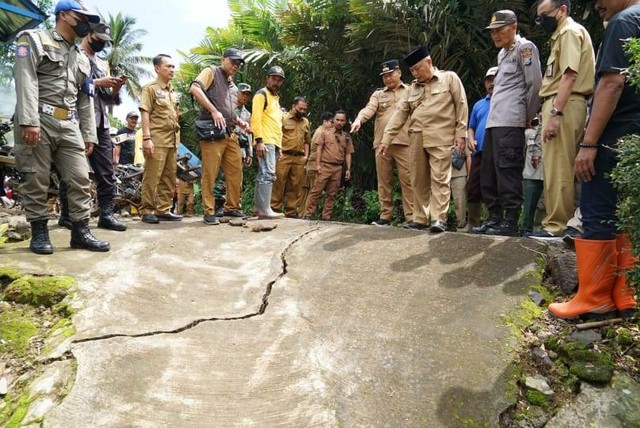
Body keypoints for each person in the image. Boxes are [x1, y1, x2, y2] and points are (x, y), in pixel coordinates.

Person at [548, 0, 640, 320]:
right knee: (628, 216)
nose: (597, 3)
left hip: (616, 135)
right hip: (635, 138)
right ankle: (624, 294)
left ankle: (594, 297)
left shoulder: (623, 22)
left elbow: (612, 83)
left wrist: (588, 143)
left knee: (599, 209)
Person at [13, 0, 110, 254]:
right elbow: (26, 80)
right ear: (64, 15)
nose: (86, 23)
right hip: (38, 119)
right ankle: (40, 232)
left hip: (69, 123)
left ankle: (80, 232)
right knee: (36, 178)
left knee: (80, 177)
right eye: (82, 17)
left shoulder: (82, 58)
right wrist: (29, 120)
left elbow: (84, 98)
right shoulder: (33, 39)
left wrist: (89, 134)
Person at [379, 46, 468, 234]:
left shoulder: (449, 78)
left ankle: (438, 219)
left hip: (441, 136)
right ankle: (420, 218)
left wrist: (461, 134)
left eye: (417, 68)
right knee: (417, 179)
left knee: (440, 178)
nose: (415, 73)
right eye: (411, 70)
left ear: (429, 63)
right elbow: (400, 114)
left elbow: (461, 105)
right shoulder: (413, 88)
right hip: (416, 137)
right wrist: (386, 139)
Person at [473, 10, 542, 236]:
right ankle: (494, 218)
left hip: (511, 121)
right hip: (494, 123)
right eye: (492, 31)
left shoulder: (525, 49)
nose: (495, 35)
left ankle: (510, 221)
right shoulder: (503, 54)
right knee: (489, 172)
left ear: (514, 27)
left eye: (499, 30)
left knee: (507, 170)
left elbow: (535, 86)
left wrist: (527, 118)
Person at [532, 0, 595, 239]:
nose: (541, 21)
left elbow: (569, 75)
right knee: (559, 165)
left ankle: (556, 225)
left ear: (562, 10)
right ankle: (560, 222)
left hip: (565, 105)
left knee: (559, 166)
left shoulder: (569, 32)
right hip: (565, 104)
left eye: (544, 15)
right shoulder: (561, 35)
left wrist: (556, 113)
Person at [58, 21, 127, 232]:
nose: (102, 44)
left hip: (102, 124)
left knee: (107, 172)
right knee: (73, 171)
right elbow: (67, 84)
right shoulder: (74, 55)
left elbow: (107, 99)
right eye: (99, 40)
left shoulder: (103, 63)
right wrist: (98, 83)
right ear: (88, 34)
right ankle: (67, 214)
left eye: (105, 42)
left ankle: (106, 215)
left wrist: (115, 87)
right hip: (77, 122)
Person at [189, 48, 250, 225]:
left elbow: (229, 110)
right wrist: (213, 111)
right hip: (213, 133)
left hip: (230, 134)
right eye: (233, 62)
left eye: (239, 64)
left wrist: (240, 122)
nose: (236, 66)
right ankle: (209, 211)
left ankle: (232, 207)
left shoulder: (233, 85)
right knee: (210, 172)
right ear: (223, 59)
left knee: (235, 171)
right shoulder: (211, 71)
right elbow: (194, 88)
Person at [351, 59, 414, 227]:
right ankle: (385, 217)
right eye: (384, 76)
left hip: (404, 142)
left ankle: (412, 218)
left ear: (399, 72)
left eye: (390, 74)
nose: (387, 79)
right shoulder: (378, 94)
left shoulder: (410, 90)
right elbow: (369, 109)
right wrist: (359, 119)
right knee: (384, 181)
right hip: (381, 145)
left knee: (407, 180)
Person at [138, 54, 182, 224]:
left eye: (173, 66)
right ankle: (148, 210)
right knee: (152, 176)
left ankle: (163, 209)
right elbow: (145, 112)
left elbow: (175, 116)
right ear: (157, 68)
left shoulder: (172, 91)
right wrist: (147, 138)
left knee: (169, 176)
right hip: (156, 139)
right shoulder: (150, 89)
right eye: (168, 66)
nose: (172, 69)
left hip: (172, 140)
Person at [213, 82, 254, 217]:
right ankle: (218, 205)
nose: (245, 96)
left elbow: (249, 134)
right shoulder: (227, 107)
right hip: (225, 143)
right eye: (243, 93)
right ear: (236, 93)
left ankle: (234, 206)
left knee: (237, 178)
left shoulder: (247, 114)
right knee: (221, 177)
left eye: (247, 94)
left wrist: (250, 154)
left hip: (240, 147)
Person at [303, 110, 353, 220]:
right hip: (324, 165)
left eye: (342, 120)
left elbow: (348, 154)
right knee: (316, 191)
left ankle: (326, 216)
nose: (339, 122)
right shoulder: (324, 133)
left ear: (345, 122)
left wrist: (348, 169)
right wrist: (318, 165)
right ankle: (308, 214)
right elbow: (319, 149)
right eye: (337, 120)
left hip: (338, 168)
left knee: (332, 193)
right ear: (333, 120)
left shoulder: (347, 137)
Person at [251, 66, 286, 219]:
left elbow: (276, 123)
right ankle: (265, 210)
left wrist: (280, 147)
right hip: (265, 140)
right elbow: (255, 118)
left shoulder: (275, 99)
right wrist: (259, 141)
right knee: (268, 174)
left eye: (279, 80)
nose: (276, 82)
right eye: (274, 78)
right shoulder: (261, 94)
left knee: (263, 173)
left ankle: (260, 209)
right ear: (268, 78)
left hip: (274, 142)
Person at [466, 67, 497, 229]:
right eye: (488, 80)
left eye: (494, 79)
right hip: (478, 152)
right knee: (473, 187)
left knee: (493, 187)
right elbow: (471, 126)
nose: (491, 83)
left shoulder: (504, 101)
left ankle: (492, 221)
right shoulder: (479, 104)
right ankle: (473, 223)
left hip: (497, 152)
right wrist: (470, 140)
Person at [271, 96, 311, 218]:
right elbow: (276, 136)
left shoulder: (305, 122)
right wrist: (278, 152)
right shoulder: (283, 118)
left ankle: (291, 211)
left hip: (299, 158)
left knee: (296, 185)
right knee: (278, 183)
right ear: (293, 106)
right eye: (300, 108)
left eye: (305, 109)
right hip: (284, 156)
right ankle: (274, 209)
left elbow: (307, 141)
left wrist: (306, 156)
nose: (303, 111)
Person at [299, 111, 334, 213]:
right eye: (331, 122)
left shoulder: (322, 131)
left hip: (313, 165)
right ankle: (307, 214)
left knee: (311, 192)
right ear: (325, 122)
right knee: (315, 192)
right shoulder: (321, 132)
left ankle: (305, 213)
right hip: (315, 166)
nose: (333, 125)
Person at [521, 116, 544, 237]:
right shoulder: (528, 132)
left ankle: (541, 229)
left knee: (546, 205)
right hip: (531, 173)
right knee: (529, 205)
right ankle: (526, 229)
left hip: (549, 173)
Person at [450, 145, 471, 230]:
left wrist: (469, 174)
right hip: (440, 174)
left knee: (460, 202)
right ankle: (439, 222)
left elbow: (469, 156)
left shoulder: (461, 137)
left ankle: (461, 226)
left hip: (459, 173)